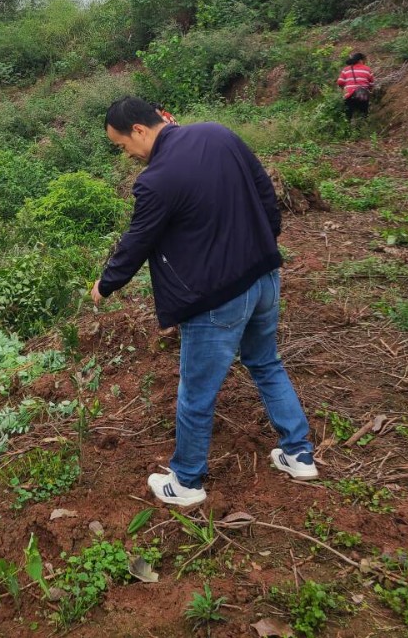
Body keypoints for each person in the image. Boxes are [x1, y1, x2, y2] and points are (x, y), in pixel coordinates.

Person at [91, 96, 317, 510]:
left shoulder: (156, 180)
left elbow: (138, 240)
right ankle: (299, 453)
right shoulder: (218, 133)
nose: (126, 154)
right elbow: (264, 190)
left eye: (122, 145)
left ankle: (187, 480)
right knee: (266, 363)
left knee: (196, 392)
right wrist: (266, 242)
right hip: (265, 276)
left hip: (217, 300)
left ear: (139, 130)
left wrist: (106, 284)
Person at [337, 52, 374, 122]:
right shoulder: (367, 69)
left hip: (349, 95)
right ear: (360, 60)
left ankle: (347, 128)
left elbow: (340, 82)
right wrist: (369, 91)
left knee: (348, 115)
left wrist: (344, 88)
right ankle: (365, 125)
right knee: (364, 114)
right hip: (363, 95)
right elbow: (371, 83)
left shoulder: (346, 69)